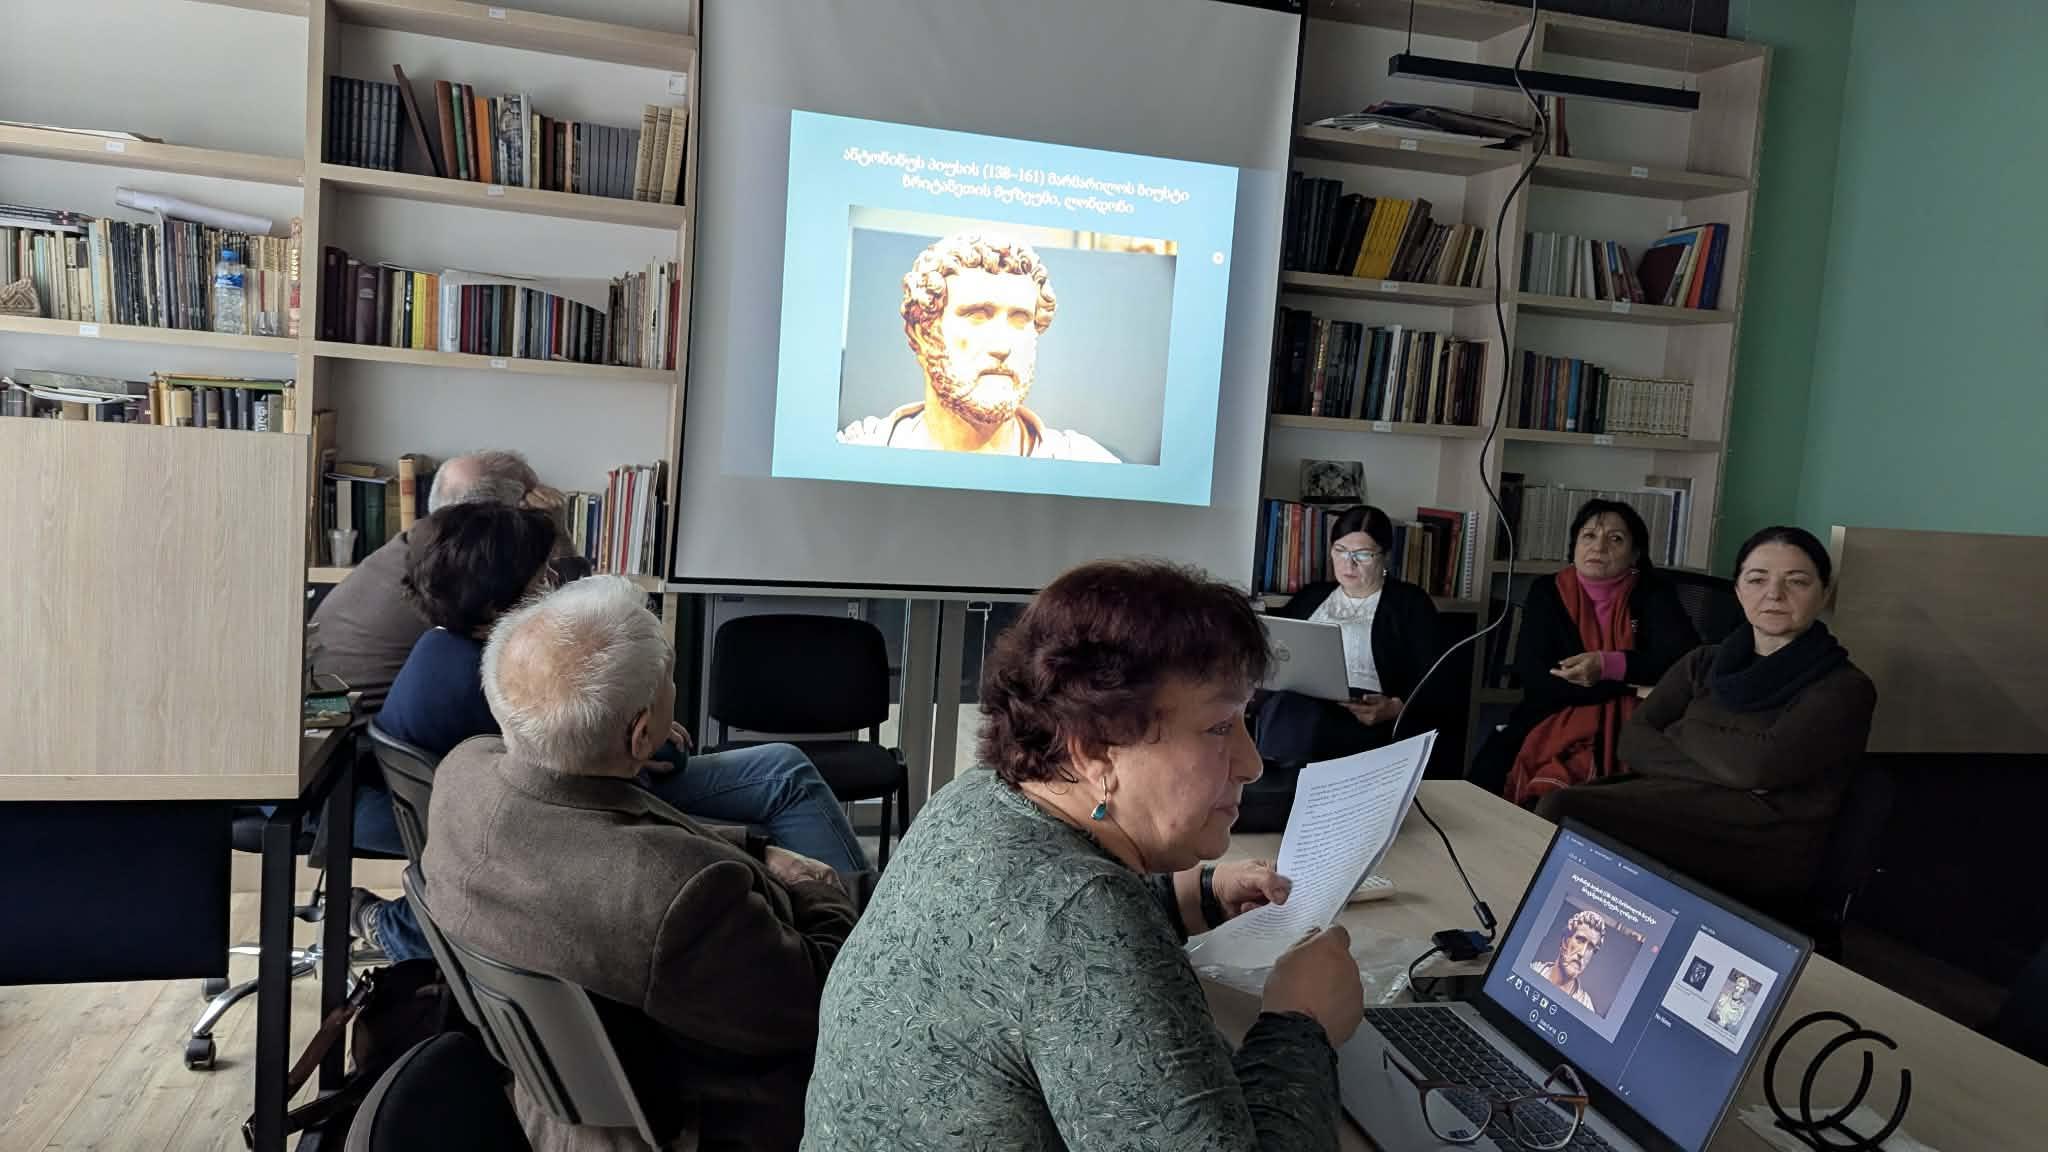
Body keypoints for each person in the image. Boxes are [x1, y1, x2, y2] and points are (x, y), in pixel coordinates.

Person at [803, 560, 1361, 1151]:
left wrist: (1192, 895)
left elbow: (1031, 944)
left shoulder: (978, 797)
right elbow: (1075, 932)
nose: (1252, 764)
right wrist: (1302, 1022)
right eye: (1220, 727)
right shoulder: (1083, 916)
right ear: (1094, 749)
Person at [424, 576, 858, 1152]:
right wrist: (820, 889)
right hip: (721, 1121)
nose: (673, 688)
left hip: (554, 1111)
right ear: (642, 735)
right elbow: (822, 999)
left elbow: (608, 831)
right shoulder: (679, 895)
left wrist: (755, 847)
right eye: (668, 682)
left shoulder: (461, 774)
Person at [354, 502, 869, 963]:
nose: (553, 589)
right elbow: (618, 771)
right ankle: (863, 932)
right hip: (593, 809)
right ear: (496, 605)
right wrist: (652, 733)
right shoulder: (507, 675)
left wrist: (641, 724)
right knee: (785, 776)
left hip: (553, 807)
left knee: (782, 769)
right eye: (540, 580)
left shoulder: (444, 651)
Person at [1539, 526, 1877, 916]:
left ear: (1824, 593)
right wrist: (1735, 772)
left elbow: (1758, 766)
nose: (1774, 593)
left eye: (1797, 581)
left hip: (1760, 843)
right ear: (1738, 590)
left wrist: (1683, 729)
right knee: (1560, 807)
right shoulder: (1704, 662)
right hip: (1677, 809)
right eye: (1757, 579)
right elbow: (1633, 741)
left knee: (1569, 811)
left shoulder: (1844, 687)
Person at [1485, 499, 1698, 805]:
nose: (1599, 547)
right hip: (1550, 714)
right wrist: (1628, 686)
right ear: (1574, 546)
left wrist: (1606, 664)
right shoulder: (1547, 591)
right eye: (1589, 536)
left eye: (1616, 539)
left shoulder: (1653, 592)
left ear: (1635, 554)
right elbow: (1536, 676)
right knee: (1487, 780)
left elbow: (1682, 663)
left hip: (1645, 722)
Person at [837, 231, 1118, 461]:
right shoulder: (857, 455)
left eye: (1020, 319)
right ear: (923, 332)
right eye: (977, 316)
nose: (1002, 346)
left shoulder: (1088, 466)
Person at [308, 449, 547, 712]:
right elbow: (549, 637)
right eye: (529, 513)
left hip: (344, 719)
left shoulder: (417, 548)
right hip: (358, 729)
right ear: (499, 516)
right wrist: (556, 535)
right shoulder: (461, 573)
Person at [1257, 505, 1443, 763]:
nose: (1349, 563)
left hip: (1364, 714)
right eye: (1340, 550)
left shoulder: (1410, 603)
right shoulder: (1310, 597)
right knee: (1290, 708)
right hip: (1298, 704)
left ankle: (1277, 776)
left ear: (1385, 556)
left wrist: (1394, 707)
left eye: (1363, 555)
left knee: (1298, 721)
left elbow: (1436, 679)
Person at [1530, 909, 1605, 1013]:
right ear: (1565, 941)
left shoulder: (1586, 1007)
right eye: (1580, 940)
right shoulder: (1533, 970)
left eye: (1590, 947)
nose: (1582, 953)